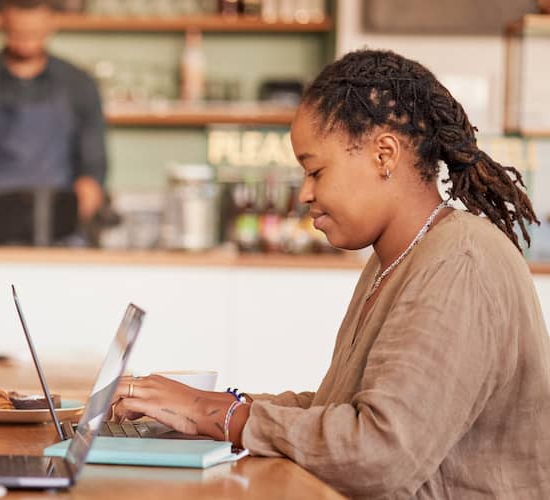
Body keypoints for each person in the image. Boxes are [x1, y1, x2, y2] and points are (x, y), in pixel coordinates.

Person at [112, 49, 550, 498]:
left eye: (315, 170)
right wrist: (211, 407)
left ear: (385, 154)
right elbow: (336, 411)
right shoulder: (398, 257)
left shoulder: (460, 261)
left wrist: (213, 415)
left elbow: (378, 452)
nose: (305, 193)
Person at [0, 0, 107, 240]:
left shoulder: (80, 85)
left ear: (52, 23)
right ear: (2, 22)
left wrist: (65, 223)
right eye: (18, 34)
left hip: (63, 237)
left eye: (34, 34)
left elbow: (92, 173)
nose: (26, 42)